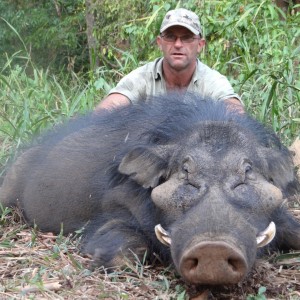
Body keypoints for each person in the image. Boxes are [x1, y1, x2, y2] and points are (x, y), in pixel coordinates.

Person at [96, 8, 244, 112]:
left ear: (200, 45)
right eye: (170, 37)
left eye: (186, 38)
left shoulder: (212, 81)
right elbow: (111, 106)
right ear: (160, 43)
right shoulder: (143, 77)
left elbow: (233, 109)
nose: (178, 44)